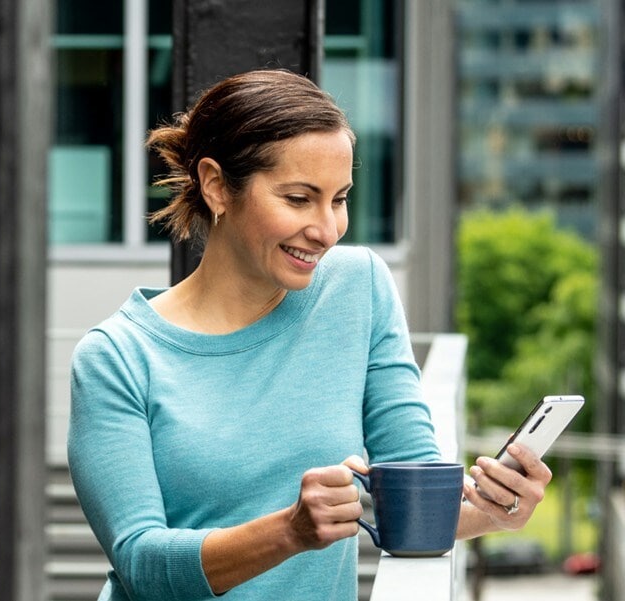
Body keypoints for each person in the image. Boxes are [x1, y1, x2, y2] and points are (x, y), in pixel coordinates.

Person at [66, 69, 552, 600]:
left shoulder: (357, 288)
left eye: (339, 199)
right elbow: (141, 563)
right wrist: (289, 531)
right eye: (299, 199)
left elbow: (414, 500)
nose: (327, 229)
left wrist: (496, 509)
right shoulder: (116, 358)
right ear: (215, 185)